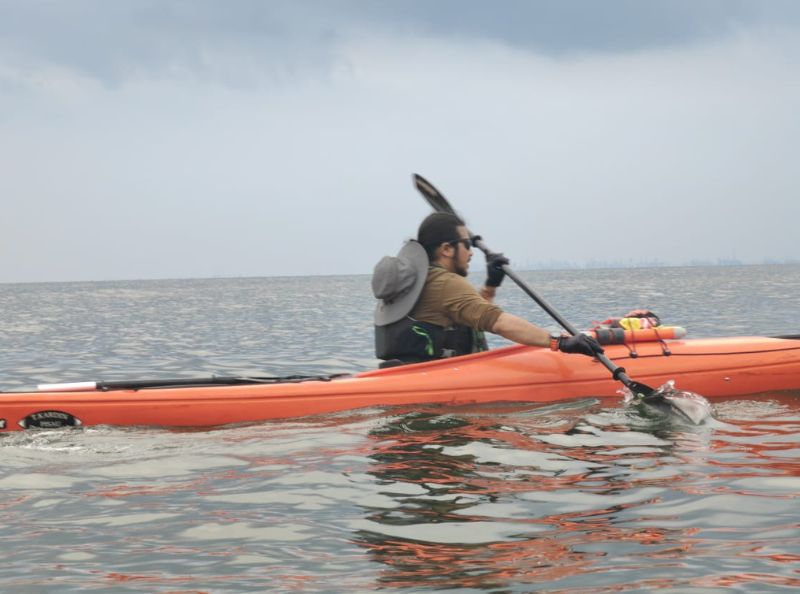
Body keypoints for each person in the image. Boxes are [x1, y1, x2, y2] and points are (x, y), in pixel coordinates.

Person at [372, 212, 603, 365]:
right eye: (466, 245)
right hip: (431, 382)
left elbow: (470, 315)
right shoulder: (445, 284)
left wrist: (491, 285)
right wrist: (559, 342)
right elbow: (498, 322)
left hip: (403, 372)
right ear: (446, 249)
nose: (471, 252)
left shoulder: (421, 282)